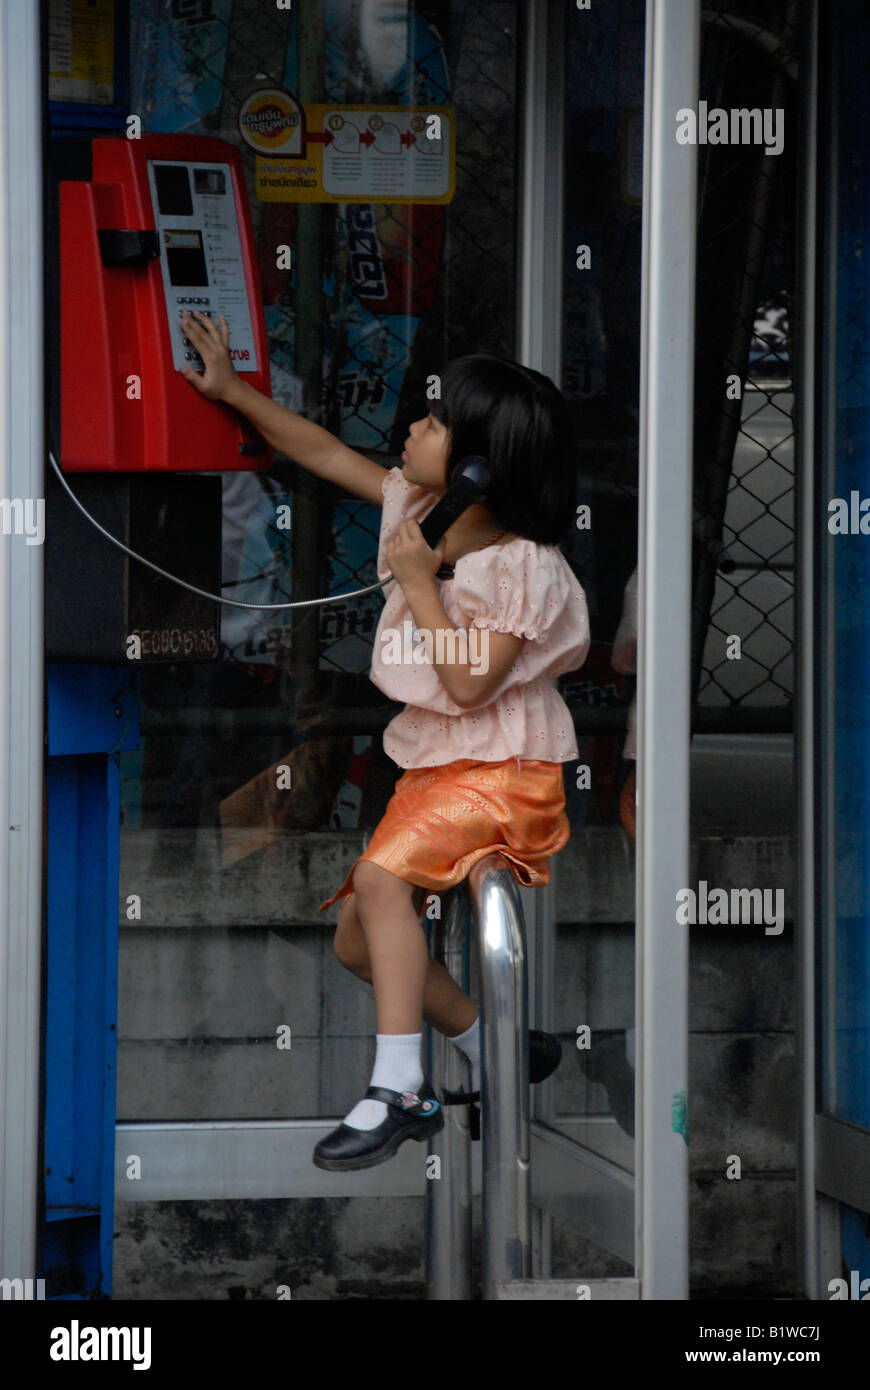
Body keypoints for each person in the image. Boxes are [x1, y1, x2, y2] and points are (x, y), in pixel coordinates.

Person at [180, 311, 591, 1171]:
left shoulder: (524, 564)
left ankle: (398, 1088)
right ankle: (496, 1044)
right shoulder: (430, 512)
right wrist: (233, 392)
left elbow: (474, 682)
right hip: (439, 764)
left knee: (375, 878)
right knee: (360, 939)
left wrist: (421, 586)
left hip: (503, 771)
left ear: (486, 461)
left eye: (437, 423)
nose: (414, 426)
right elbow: (328, 455)